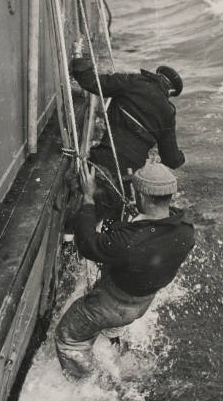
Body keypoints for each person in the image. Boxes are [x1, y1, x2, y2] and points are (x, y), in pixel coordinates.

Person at [55, 159, 195, 379]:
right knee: (113, 323)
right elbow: (152, 234)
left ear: (143, 197)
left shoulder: (127, 242)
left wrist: (88, 198)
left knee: (68, 339)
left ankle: (90, 387)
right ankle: (114, 344)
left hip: (109, 306)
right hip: (140, 306)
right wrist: (141, 219)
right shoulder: (187, 232)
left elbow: (87, 244)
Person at [70, 54, 186, 180]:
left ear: (157, 75)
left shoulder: (132, 81)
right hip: (132, 173)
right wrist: (181, 157)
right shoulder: (168, 112)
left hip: (104, 157)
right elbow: (171, 159)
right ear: (171, 92)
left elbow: (92, 82)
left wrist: (79, 62)